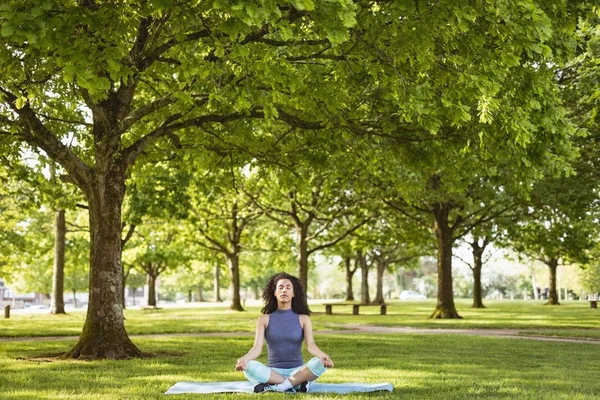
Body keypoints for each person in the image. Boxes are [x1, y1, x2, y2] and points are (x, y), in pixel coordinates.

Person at [235, 272, 334, 393]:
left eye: (288, 287)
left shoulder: (303, 319)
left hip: (298, 371)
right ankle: (296, 384)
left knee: (318, 362)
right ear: (275, 293)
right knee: (249, 366)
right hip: (272, 373)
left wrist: (322, 356)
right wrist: (245, 359)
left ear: (293, 294)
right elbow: (257, 348)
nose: (284, 290)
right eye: (280, 287)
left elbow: (311, 345)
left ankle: (278, 386)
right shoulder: (264, 319)